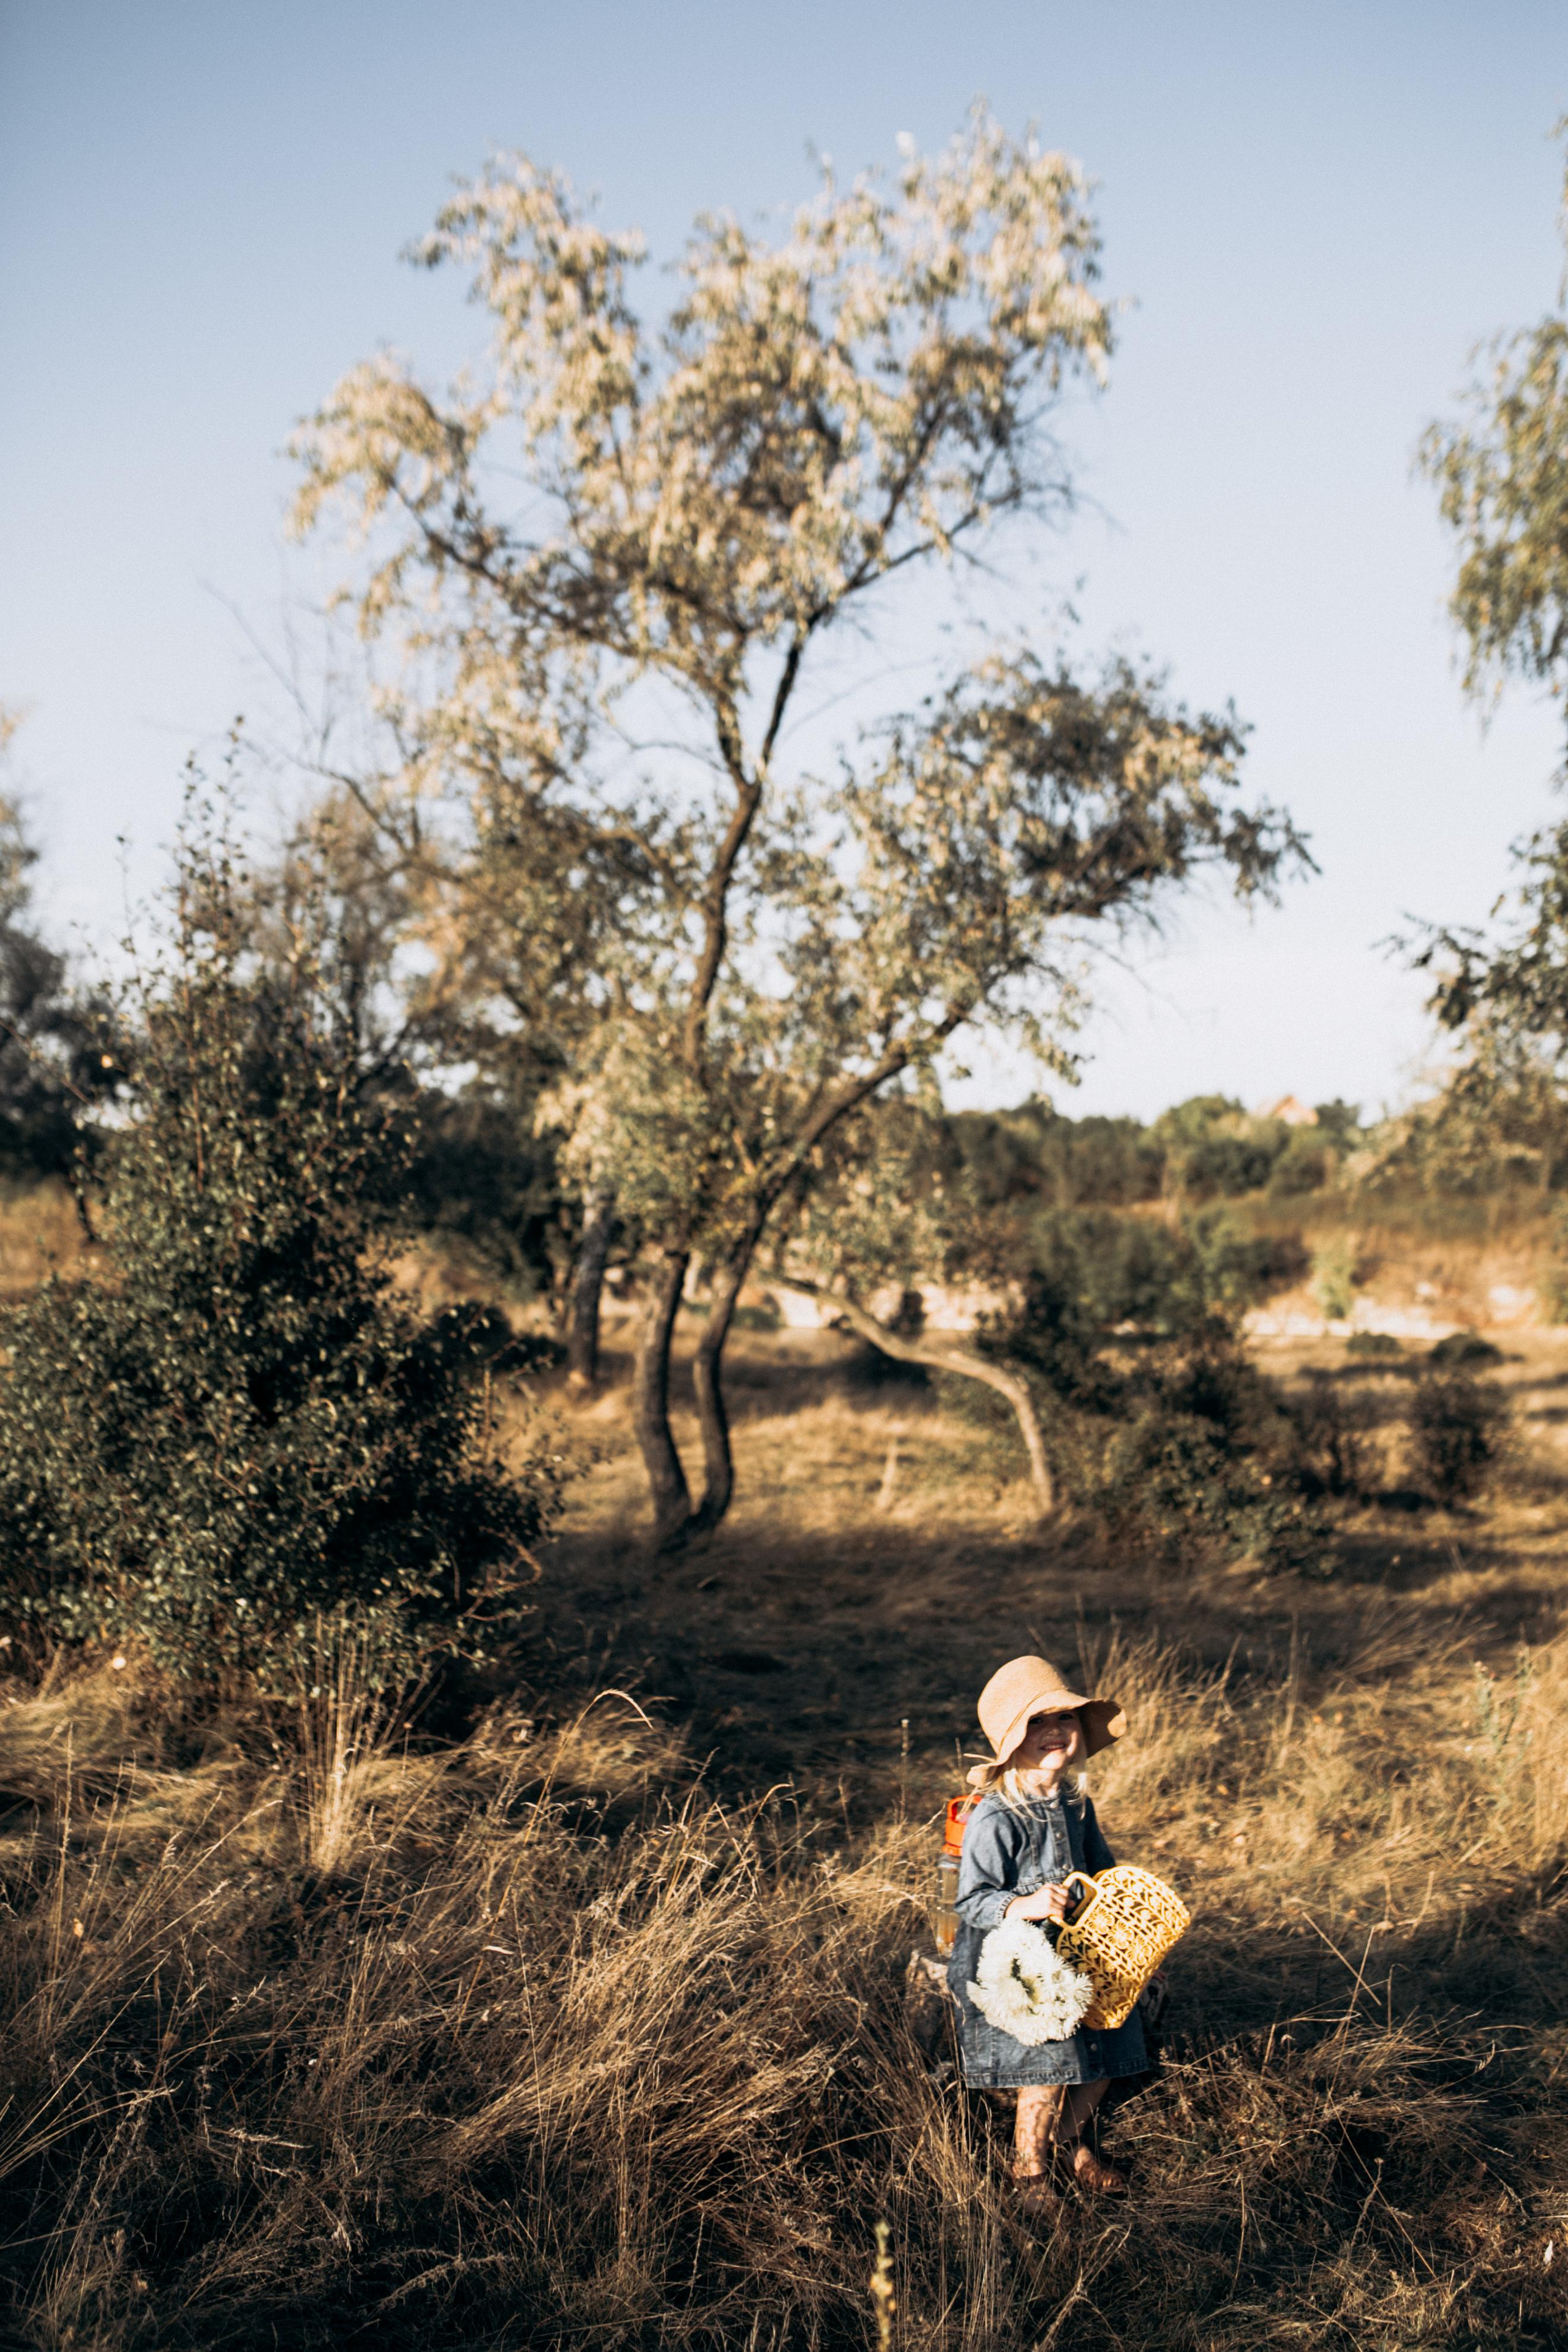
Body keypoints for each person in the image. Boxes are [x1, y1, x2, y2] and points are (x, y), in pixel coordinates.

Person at [948, 1654, 1145, 2213]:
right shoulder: (995, 1815)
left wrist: (1119, 1910)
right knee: (1048, 2070)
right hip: (1018, 1966)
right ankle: (1028, 2172)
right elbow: (972, 1900)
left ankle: (1065, 2144)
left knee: (1111, 2050)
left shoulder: (1076, 1803)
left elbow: (1102, 1872)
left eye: (1065, 1717)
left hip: (1076, 1953)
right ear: (1011, 1740)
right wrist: (1026, 1903)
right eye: (1037, 1721)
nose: (1055, 1730)